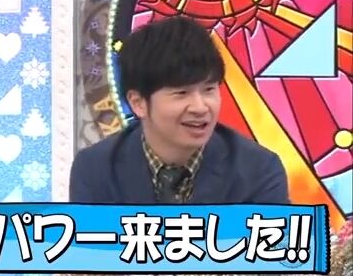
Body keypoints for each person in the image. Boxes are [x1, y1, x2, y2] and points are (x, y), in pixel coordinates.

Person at [69, 16, 288, 205]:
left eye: (209, 90)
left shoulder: (259, 170)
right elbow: (92, 241)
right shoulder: (96, 169)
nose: (200, 107)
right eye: (181, 93)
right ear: (138, 103)